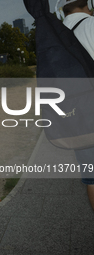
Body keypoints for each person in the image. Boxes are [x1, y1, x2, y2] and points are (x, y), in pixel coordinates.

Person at [62, 0, 94, 210]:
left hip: (77, 118)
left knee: (91, 179)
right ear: (89, 4)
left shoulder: (56, 34)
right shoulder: (92, 25)